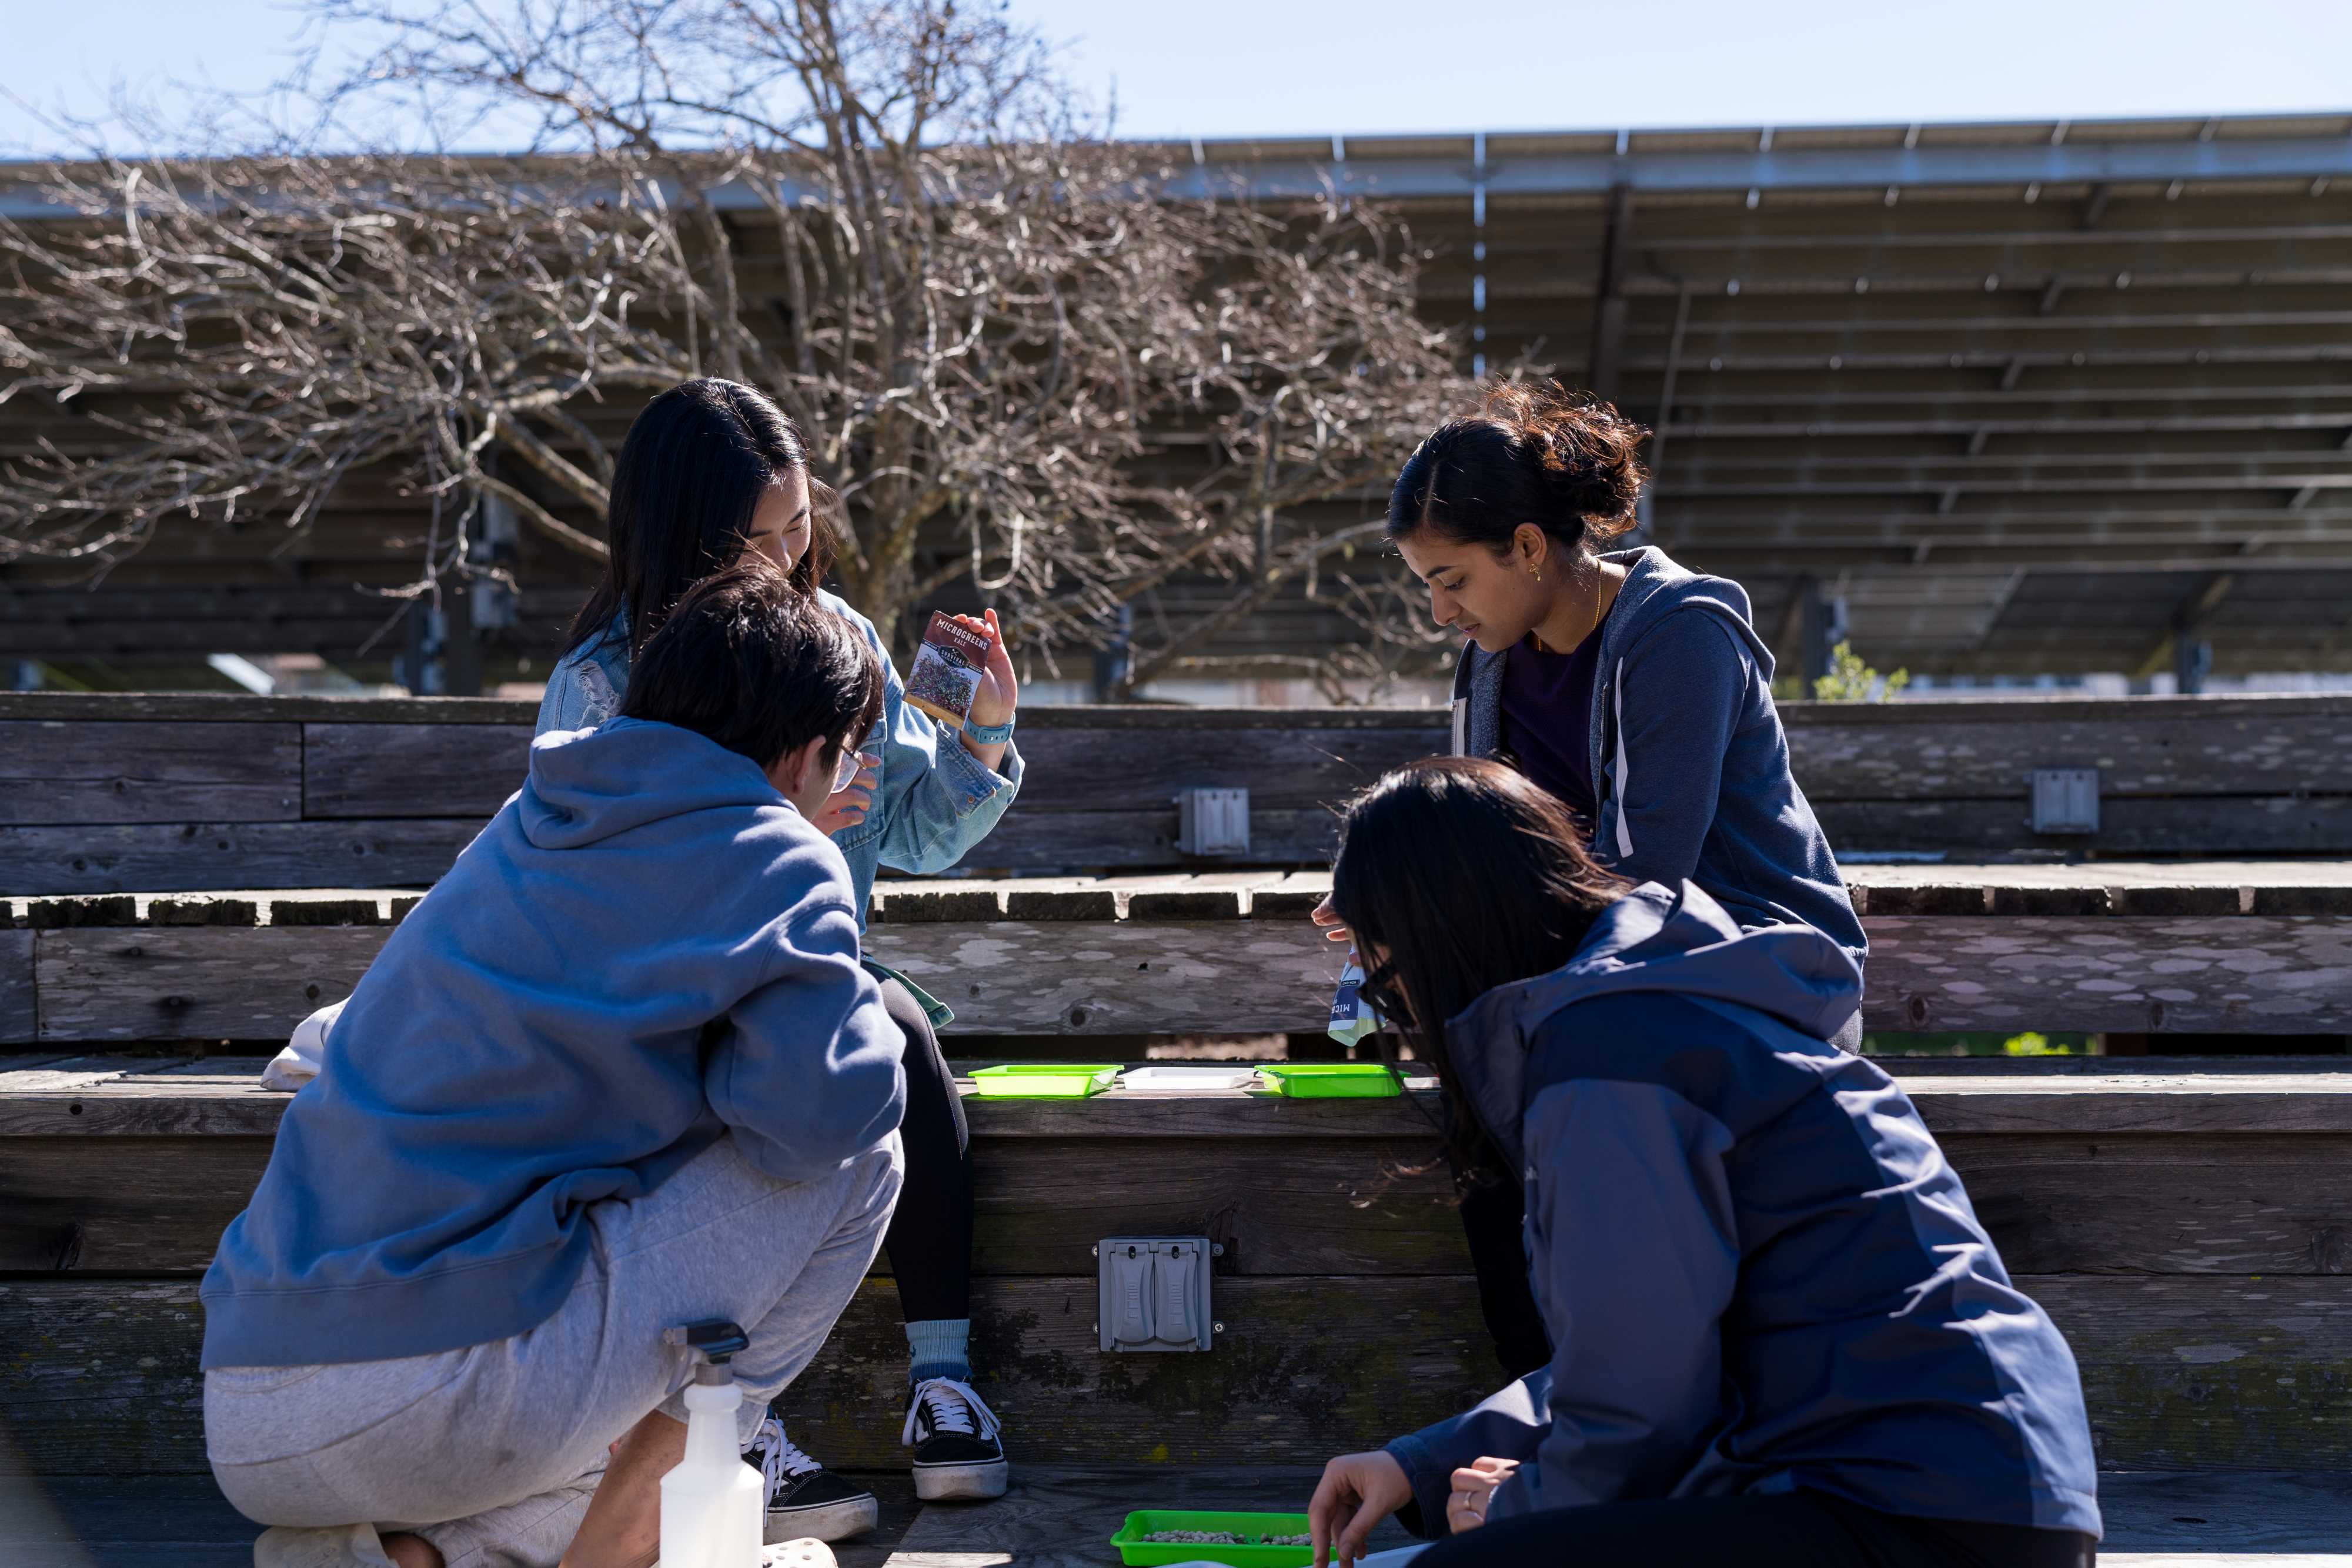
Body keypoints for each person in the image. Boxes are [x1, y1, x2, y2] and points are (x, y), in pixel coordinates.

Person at [203, 561, 904, 1568]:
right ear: (804, 758)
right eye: (846, 763)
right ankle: (606, 1556)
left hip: (253, 1412)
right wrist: (862, 1002)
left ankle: (398, 1555)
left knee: (587, 1452)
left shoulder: (527, 819)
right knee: (869, 1159)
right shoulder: (778, 851)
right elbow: (818, 1121)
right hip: (436, 1391)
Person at [1303, 759, 2100, 1568]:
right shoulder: (1664, 1006)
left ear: (1444, 938)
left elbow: (1639, 1408)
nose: (1402, 1013)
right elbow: (1640, 1350)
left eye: (1390, 978)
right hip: (1983, 1498)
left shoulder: (1609, 1058)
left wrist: (1517, 1507)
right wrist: (1424, 1466)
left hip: (1903, 1513)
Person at [539, 378, 1020, 1533]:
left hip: (811, 983)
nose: (781, 556)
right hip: (656, 1006)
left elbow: (910, 826)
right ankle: (725, 1431)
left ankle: (943, 1386)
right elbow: (587, 882)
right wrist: (790, 822)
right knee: (708, 1102)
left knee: (894, 1036)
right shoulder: (604, 678)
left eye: (798, 524)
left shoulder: (839, 637)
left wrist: (987, 729)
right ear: (677, 536)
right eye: (751, 537)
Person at [1316, 379, 1869, 1380]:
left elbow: (1651, 876)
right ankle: (1543, 1417)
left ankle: (1600, 1425)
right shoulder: (1493, 660)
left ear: (1529, 548)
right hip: (1587, 981)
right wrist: (1393, 904)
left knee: (1550, 1109)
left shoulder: (1679, 635)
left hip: (1744, 968)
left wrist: (1448, 903)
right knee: (1483, 1126)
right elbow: (1484, 850)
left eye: (1452, 580)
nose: (1440, 612)